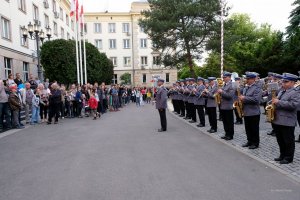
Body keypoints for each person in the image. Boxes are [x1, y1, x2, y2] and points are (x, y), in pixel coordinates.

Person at [272, 73, 300, 164]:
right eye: (283, 81)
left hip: (287, 121)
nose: (283, 83)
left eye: (286, 81)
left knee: (288, 141)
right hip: (278, 119)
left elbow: (294, 105)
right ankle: (282, 155)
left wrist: (278, 102)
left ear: (292, 82)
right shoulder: (281, 91)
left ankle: (288, 158)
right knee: (280, 140)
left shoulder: (296, 92)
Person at [239, 72, 262, 149]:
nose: (247, 80)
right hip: (246, 111)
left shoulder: (257, 88)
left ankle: (255, 143)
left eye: (248, 79)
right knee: (248, 128)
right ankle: (249, 141)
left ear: (253, 79)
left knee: (254, 129)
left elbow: (256, 100)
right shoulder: (246, 87)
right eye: (247, 79)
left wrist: (244, 98)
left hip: (254, 112)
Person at [217, 72, 235, 140]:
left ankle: (230, 135)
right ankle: (226, 134)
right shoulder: (224, 85)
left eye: (225, 77)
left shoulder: (232, 85)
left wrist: (222, 92)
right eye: (223, 77)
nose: (223, 79)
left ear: (229, 77)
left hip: (228, 107)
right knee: (225, 122)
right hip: (223, 106)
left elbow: (230, 96)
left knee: (229, 122)